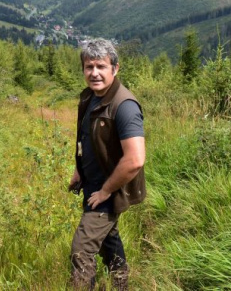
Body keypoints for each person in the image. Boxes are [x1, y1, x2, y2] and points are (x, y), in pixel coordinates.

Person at [68, 38, 146, 290]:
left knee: (81, 250)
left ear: (115, 68)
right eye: (89, 67)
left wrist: (105, 191)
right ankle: (121, 285)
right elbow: (87, 139)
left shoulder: (124, 106)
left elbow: (135, 159)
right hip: (94, 184)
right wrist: (79, 170)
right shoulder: (90, 97)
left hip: (110, 190)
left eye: (101, 66)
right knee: (108, 240)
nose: (94, 73)